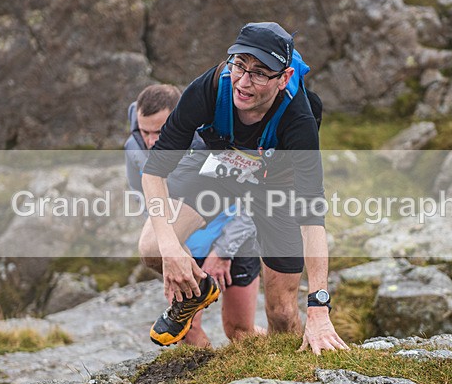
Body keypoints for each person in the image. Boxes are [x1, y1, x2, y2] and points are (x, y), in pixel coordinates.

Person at [138, 22, 348, 355]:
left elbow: (312, 220)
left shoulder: (299, 122)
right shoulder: (209, 88)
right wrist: (171, 249)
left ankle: (307, 356)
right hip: (218, 167)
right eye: (240, 66)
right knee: (152, 245)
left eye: (261, 73)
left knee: (280, 312)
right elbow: (153, 172)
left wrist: (319, 307)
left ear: (283, 77)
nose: (244, 82)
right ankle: (197, 293)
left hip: (275, 185)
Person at [124, 84, 263, 347]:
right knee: (188, 331)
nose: (152, 141)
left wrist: (223, 251)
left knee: (239, 331)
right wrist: (177, 251)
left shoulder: (211, 137)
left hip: (233, 237)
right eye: (145, 132)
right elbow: (146, 202)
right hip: (185, 244)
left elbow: (250, 201)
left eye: (160, 131)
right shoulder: (134, 148)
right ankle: (213, 382)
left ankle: (283, 351)